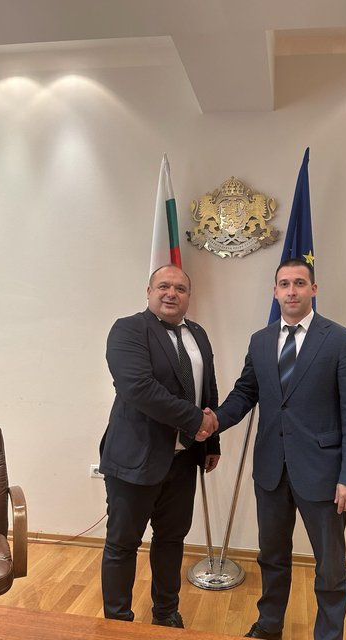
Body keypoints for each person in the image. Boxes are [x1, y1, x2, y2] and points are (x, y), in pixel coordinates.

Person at [212, 258, 346, 640]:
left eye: (300, 283)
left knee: (330, 566)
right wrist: (213, 421)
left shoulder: (341, 341)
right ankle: (269, 625)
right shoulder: (261, 341)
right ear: (275, 292)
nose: (292, 290)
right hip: (271, 472)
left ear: (313, 289)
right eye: (284, 284)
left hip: (323, 475)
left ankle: (328, 635)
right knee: (271, 556)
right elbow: (245, 393)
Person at [99, 264, 220, 628]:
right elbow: (138, 388)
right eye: (164, 286)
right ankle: (117, 623)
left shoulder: (198, 334)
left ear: (189, 296)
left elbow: (207, 390)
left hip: (183, 461)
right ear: (148, 292)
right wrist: (196, 420)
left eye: (180, 288)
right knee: (123, 544)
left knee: (171, 540)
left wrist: (211, 441)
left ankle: (166, 615)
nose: (171, 293)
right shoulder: (128, 329)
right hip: (135, 459)